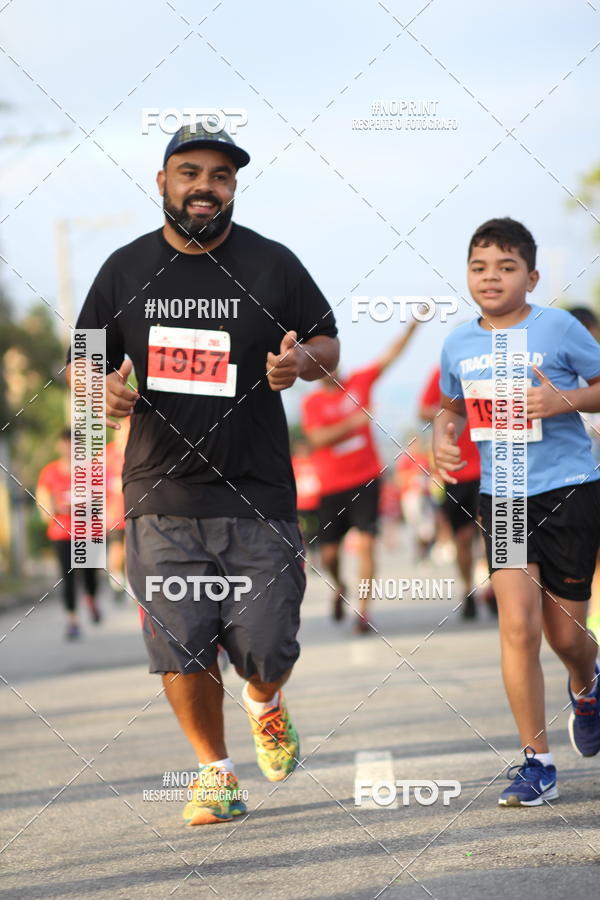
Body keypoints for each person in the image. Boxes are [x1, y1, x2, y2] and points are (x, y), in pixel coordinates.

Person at [66, 123, 339, 826]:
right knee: (180, 641)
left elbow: (326, 341)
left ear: (234, 187)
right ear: (163, 182)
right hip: (159, 490)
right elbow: (82, 360)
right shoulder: (125, 269)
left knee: (266, 644)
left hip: (258, 490)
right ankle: (215, 772)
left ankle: (264, 700)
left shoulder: (272, 264)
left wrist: (300, 363)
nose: (204, 187)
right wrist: (99, 387)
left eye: (220, 175)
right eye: (190, 173)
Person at [434, 217, 600, 807]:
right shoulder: (457, 343)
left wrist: (563, 400)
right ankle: (537, 762)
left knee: (566, 636)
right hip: (502, 498)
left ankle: (588, 684)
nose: (491, 277)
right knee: (518, 626)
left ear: (530, 277)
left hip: (569, 490)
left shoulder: (558, 327)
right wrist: (443, 436)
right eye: (479, 267)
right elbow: (450, 406)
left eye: (506, 267)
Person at [302, 320, 420, 632]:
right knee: (329, 554)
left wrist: (411, 328)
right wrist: (353, 423)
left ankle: (363, 611)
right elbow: (317, 438)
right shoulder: (312, 403)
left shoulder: (360, 382)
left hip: (366, 480)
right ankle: (340, 584)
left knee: (367, 544)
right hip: (331, 487)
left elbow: (390, 356)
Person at [420, 364, 496, 619]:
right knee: (462, 538)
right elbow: (423, 410)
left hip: (492, 467)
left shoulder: (497, 366)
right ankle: (468, 590)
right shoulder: (443, 371)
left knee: (494, 532)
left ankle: (496, 589)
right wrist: (454, 412)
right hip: (458, 471)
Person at [35, 428, 101, 639]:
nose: (68, 448)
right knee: (68, 576)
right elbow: (43, 501)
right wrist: (54, 508)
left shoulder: (89, 470)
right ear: (59, 445)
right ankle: (72, 620)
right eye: (65, 443)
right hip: (61, 533)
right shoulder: (50, 472)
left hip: (87, 531)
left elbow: (99, 499)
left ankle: (91, 598)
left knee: (90, 574)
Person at [105, 417, 129, 601]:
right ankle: (116, 581)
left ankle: (131, 585)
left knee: (131, 549)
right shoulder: (107, 454)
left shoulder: (135, 451)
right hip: (114, 513)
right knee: (116, 548)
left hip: (134, 510)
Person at [291, 438, 321, 565]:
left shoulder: (316, 461)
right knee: (301, 533)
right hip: (300, 506)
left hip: (316, 504)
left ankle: (315, 559)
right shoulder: (293, 463)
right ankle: (303, 559)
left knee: (314, 532)